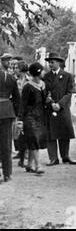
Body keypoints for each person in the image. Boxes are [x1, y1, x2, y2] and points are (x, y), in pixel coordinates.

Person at [43, 52, 76, 166]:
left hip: (62, 108)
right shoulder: (46, 77)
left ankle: (65, 156)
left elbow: (69, 92)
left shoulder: (67, 76)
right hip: (50, 108)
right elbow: (44, 92)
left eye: (52, 62)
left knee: (64, 132)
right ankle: (53, 158)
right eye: (49, 63)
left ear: (58, 63)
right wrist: (50, 102)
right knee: (51, 134)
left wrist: (60, 104)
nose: (50, 65)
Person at [19, 63, 47, 175]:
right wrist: (20, 119)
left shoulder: (43, 84)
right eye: (42, 71)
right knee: (34, 139)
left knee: (34, 140)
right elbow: (23, 104)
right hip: (29, 116)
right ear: (38, 72)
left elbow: (44, 101)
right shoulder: (28, 86)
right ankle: (37, 165)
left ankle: (29, 164)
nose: (44, 72)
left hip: (40, 116)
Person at [0, 52, 21, 183]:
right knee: (6, 143)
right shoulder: (12, 79)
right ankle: (7, 174)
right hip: (7, 111)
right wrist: (16, 114)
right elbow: (17, 99)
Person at [13, 61, 30, 168]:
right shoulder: (14, 80)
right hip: (17, 108)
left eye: (17, 67)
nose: (15, 69)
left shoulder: (29, 80)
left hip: (27, 109)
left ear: (22, 69)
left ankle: (26, 153)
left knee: (27, 131)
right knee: (17, 131)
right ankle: (20, 152)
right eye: (14, 67)